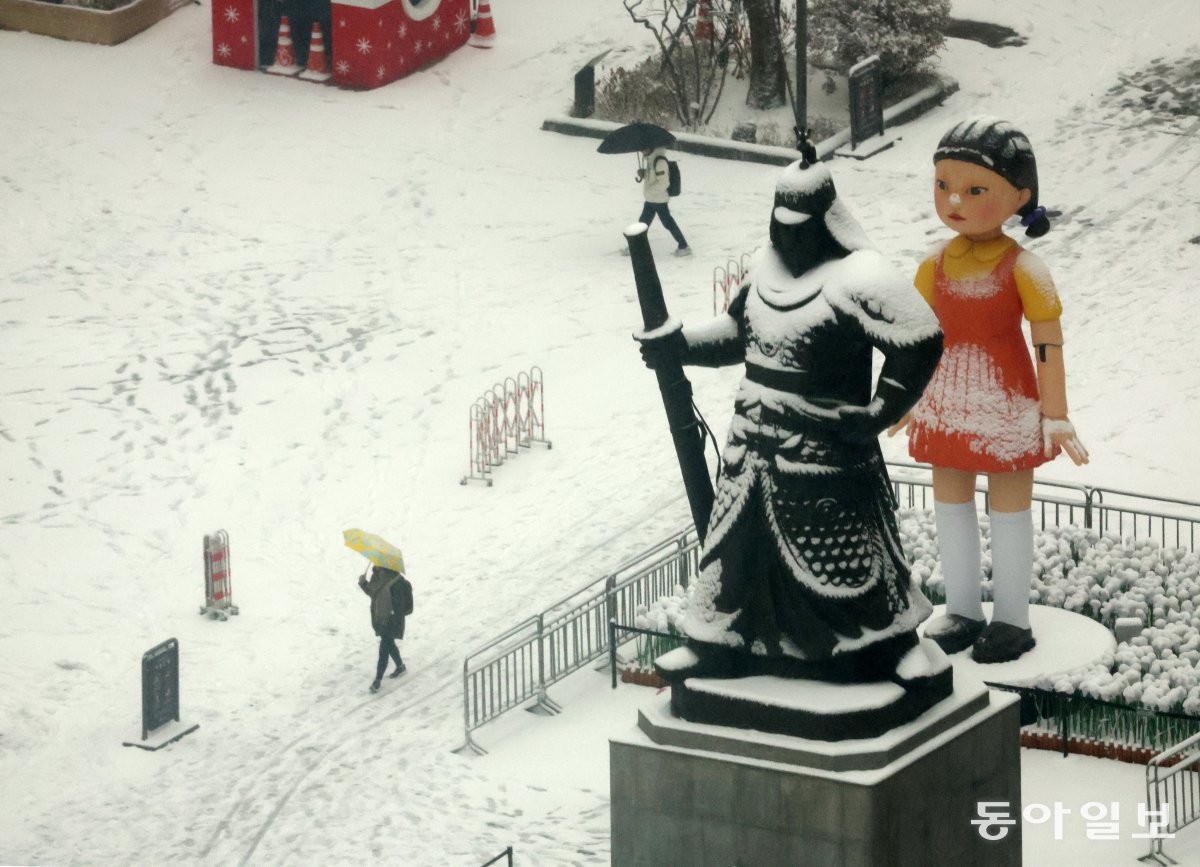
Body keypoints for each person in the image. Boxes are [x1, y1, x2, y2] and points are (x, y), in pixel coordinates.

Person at [636, 157, 944, 690]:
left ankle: (875, 649)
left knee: (842, 561)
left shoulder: (858, 275)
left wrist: (879, 411)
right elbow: (738, 334)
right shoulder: (764, 270)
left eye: (799, 226)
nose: (787, 237)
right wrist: (680, 346)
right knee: (733, 554)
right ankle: (718, 645)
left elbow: (920, 338)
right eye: (779, 223)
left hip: (824, 449)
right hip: (750, 445)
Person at [891, 117, 1089, 664]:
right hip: (946, 402)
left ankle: (1011, 620)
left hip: (1006, 404)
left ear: (1019, 197)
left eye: (975, 189)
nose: (954, 200)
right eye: (943, 186)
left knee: (1009, 510)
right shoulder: (931, 266)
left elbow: (1047, 343)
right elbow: (916, 337)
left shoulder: (1026, 268)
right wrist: (907, 394)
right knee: (949, 505)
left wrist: (1056, 413)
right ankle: (961, 610)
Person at [359, 564, 409, 692]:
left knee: (384, 648)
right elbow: (373, 593)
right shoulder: (377, 575)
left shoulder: (395, 579)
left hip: (391, 621)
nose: (376, 565)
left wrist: (391, 616)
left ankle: (377, 680)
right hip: (380, 618)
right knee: (389, 644)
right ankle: (400, 666)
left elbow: (399, 605)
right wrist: (363, 583)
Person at [635, 146, 690, 256]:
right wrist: (644, 173)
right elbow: (654, 177)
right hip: (652, 199)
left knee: (665, 223)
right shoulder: (651, 159)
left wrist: (651, 190)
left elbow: (664, 183)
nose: (642, 150)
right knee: (645, 223)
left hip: (658, 200)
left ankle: (684, 246)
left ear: (650, 147)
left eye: (644, 147)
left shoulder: (659, 162)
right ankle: (636, 246)